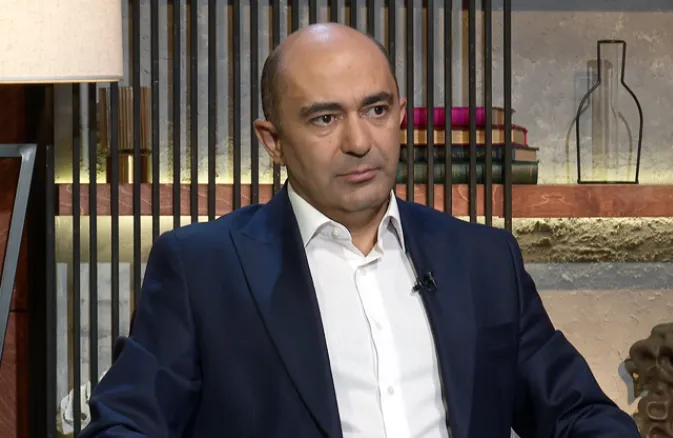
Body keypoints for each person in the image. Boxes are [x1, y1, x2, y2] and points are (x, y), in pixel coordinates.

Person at [81, 23, 640, 438]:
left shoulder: (483, 258)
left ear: (401, 115)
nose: (358, 142)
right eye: (325, 118)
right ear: (273, 141)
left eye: (375, 110)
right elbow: (124, 426)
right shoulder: (203, 269)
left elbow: (577, 414)